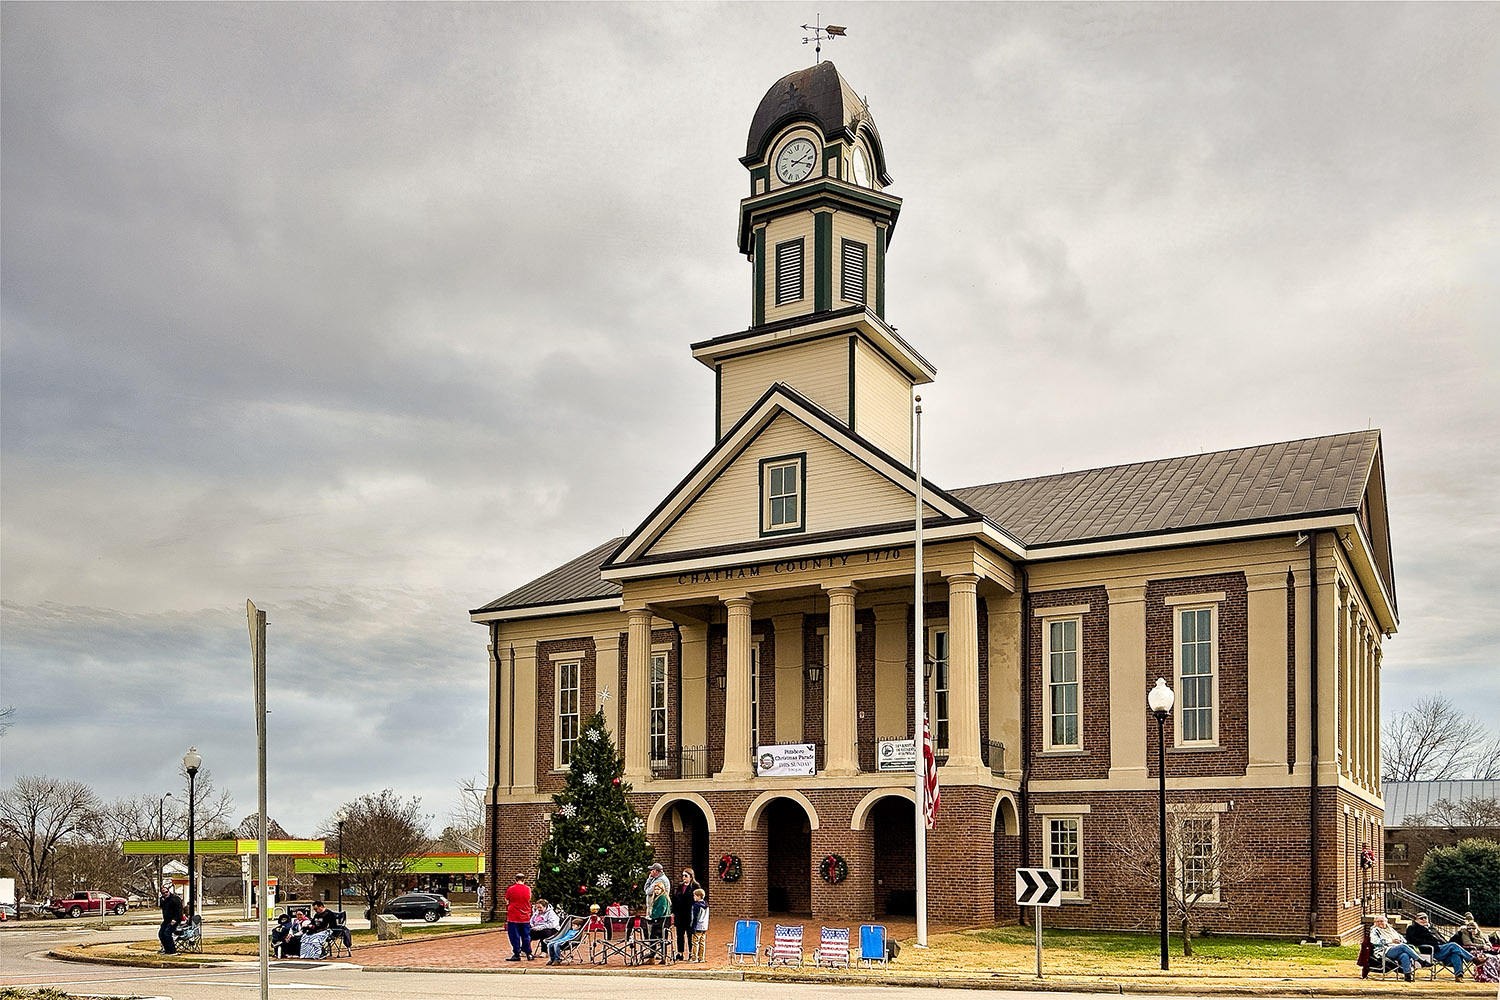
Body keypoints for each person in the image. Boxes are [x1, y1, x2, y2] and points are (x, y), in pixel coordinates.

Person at [1404, 912, 1473, 980]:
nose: (1424, 920)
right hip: (1429, 951)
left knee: (1455, 954)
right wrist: (1431, 943)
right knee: (1453, 945)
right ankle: (1473, 959)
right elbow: (1412, 940)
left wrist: (1445, 943)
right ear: (1416, 920)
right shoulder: (1412, 928)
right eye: (1421, 918)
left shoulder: (1432, 929)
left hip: (1441, 949)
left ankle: (1459, 975)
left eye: (1425, 918)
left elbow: (1441, 938)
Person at [1369, 914, 1424, 981]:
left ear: (1386, 922)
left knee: (1404, 955)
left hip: (1396, 949)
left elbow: (1404, 940)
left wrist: (1399, 940)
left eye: (1381, 921)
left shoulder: (1391, 930)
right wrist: (1391, 941)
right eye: (1377, 922)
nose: (1380, 923)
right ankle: (1420, 960)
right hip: (1384, 951)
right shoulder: (1375, 931)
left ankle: (1407, 975)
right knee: (1403, 946)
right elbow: (1375, 941)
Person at [671, 868, 702, 961]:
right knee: (679, 934)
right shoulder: (680, 886)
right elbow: (675, 899)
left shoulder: (695, 886)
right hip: (680, 914)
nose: (683, 878)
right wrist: (673, 911)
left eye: (686, 876)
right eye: (683, 876)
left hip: (689, 914)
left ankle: (690, 953)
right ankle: (680, 953)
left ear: (691, 877)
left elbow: (698, 899)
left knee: (689, 934)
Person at [643, 863, 672, 962]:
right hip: (659, 918)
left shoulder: (661, 881)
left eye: (652, 870)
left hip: (659, 920)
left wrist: (651, 917)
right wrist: (650, 879)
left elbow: (647, 891)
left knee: (653, 935)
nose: (650, 872)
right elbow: (646, 889)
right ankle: (657, 954)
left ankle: (653, 954)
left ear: (657, 871)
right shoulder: (655, 880)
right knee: (656, 935)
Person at [504, 873, 533, 961]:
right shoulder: (528, 889)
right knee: (526, 935)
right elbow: (529, 899)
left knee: (514, 936)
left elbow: (507, 901)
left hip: (513, 916)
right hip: (525, 916)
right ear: (524, 880)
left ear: (515, 879)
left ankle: (517, 953)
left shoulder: (511, 889)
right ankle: (528, 953)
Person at [158, 887, 184, 955]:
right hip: (166, 919)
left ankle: (172, 950)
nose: (165, 894)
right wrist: (163, 901)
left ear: (169, 891)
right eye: (163, 893)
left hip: (175, 919)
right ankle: (167, 950)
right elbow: (161, 907)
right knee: (161, 934)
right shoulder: (163, 899)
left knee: (167, 933)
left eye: (166, 892)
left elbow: (179, 910)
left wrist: (175, 919)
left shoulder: (175, 899)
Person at [688, 887, 709, 963]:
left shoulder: (696, 905)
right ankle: (701, 957)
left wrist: (693, 927)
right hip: (704, 926)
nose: (694, 897)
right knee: (702, 942)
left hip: (697, 926)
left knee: (695, 942)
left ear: (699, 896)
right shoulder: (706, 905)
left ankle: (694, 957)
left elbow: (695, 917)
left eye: (695, 896)